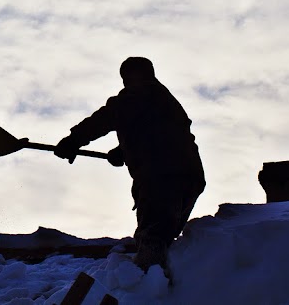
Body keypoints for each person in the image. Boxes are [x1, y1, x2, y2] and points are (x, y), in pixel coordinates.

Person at [54, 57, 205, 273]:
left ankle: (147, 286)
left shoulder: (136, 95)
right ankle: (165, 285)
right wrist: (125, 151)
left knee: (153, 237)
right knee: (165, 237)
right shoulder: (164, 100)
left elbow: (106, 117)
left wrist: (73, 141)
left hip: (161, 176)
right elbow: (156, 134)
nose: (125, 83)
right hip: (189, 176)